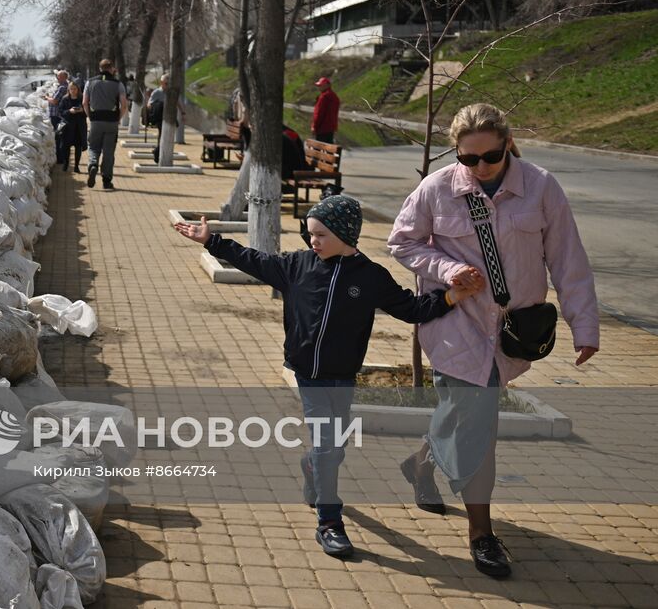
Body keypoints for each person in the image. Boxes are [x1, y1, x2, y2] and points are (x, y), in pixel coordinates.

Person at [177, 194, 483, 559]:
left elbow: (411, 309)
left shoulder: (370, 276)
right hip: (307, 374)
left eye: (320, 234)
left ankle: (311, 467)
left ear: (345, 234)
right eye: (310, 234)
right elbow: (253, 260)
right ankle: (329, 523)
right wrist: (212, 240)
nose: (312, 241)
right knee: (327, 446)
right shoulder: (297, 265)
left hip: (343, 375)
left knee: (332, 450)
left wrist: (452, 297)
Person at [387, 102, 599, 579]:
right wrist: (446, 270)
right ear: (456, 154)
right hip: (454, 325)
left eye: (491, 156)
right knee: (478, 423)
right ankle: (482, 534)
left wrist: (584, 326)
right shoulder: (437, 188)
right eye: (468, 159)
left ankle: (420, 464)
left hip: (509, 331)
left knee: (465, 411)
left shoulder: (541, 186)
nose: (480, 168)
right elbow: (402, 241)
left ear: (507, 143)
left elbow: (568, 259)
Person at [82, 58, 128, 190]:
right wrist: (118, 117)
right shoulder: (118, 84)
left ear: (100, 68)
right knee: (109, 152)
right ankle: (107, 181)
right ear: (111, 68)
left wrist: (90, 116)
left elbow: (85, 102)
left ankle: (93, 165)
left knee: (93, 146)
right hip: (111, 121)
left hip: (96, 119)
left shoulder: (90, 82)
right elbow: (124, 105)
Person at [55, 82, 87, 173]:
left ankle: (77, 166)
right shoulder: (65, 99)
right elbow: (60, 112)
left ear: (78, 89)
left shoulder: (82, 99)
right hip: (68, 127)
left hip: (79, 127)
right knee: (65, 147)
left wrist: (81, 110)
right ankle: (66, 163)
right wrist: (69, 111)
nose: (73, 91)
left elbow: (87, 112)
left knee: (78, 147)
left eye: (75, 89)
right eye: (71, 89)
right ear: (68, 90)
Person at [144, 74, 171, 164]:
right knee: (162, 135)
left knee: (165, 136)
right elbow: (149, 105)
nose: (167, 85)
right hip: (159, 117)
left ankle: (157, 151)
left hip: (169, 118)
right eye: (166, 83)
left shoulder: (170, 92)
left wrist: (182, 112)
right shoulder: (157, 92)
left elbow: (177, 102)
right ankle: (157, 152)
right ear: (161, 83)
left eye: (169, 83)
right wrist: (157, 107)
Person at [312, 77, 340, 144]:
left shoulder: (323, 97)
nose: (319, 87)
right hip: (331, 128)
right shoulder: (334, 96)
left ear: (327, 85)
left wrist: (314, 127)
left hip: (321, 129)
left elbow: (318, 114)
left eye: (320, 85)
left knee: (318, 150)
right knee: (329, 148)